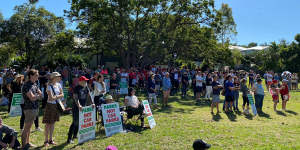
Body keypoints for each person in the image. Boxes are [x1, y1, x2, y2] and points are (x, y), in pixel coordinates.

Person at [67, 76, 95, 144]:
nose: (85, 82)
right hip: (76, 108)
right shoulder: (76, 88)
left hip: (83, 107)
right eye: (84, 81)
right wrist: (79, 105)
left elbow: (89, 96)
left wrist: (92, 103)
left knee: (80, 122)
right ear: (80, 81)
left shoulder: (86, 88)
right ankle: (69, 139)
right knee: (75, 122)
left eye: (86, 81)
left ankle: (75, 135)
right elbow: (75, 98)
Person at [21, 69, 43, 149]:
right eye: (36, 75)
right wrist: (38, 95)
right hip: (29, 109)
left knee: (29, 127)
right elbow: (32, 98)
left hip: (35, 108)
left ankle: (28, 142)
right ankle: (23, 146)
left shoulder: (35, 84)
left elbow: (41, 95)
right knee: (27, 127)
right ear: (31, 76)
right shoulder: (26, 85)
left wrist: (37, 96)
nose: (38, 76)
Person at [42, 72, 64, 147]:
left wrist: (56, 96)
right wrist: (58, 96)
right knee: (48, 124)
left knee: (53, 123)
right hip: (50, 106)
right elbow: (51, 98)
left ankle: (50, 139)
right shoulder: (49, 86)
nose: (59, 77)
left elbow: (62, 94)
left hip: (56, 105)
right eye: (58, 76)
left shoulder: (58, 84)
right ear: (54, 77)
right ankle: (46, 140)